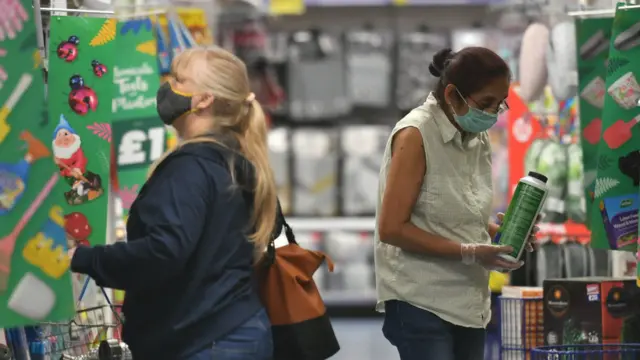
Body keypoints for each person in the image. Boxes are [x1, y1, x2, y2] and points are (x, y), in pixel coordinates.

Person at [68, 47, 277, 360]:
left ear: (204, 99)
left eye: (179, 80)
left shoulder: (190, 168)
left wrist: (82, 257)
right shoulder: (236, 160)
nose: (166, 86)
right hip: (235, 328)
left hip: (204, 341)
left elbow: (162, 253)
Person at [374, 47, 539, 360]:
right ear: (452, 95)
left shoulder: (475, 137)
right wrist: (471, 252)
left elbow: (455, 213)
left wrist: (501, 234)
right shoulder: (416, 135)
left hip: (469, 301)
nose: (493, 113)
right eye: (486, 103)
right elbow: (392, 228)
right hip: (420, 300)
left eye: (500, 103)